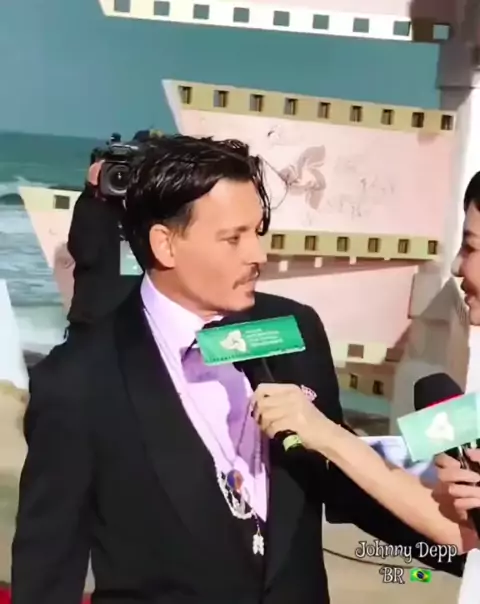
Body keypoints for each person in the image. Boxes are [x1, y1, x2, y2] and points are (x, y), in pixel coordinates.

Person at [11, 135, 464, 604]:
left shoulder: (295, 329)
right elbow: (47, 569)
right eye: (233, 238)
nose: (258, 255)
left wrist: (468, 550)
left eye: (258, 232)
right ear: (166, 244)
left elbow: (342, 484)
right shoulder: (78, 381)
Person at [66, 156, 139, 340]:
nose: (120, 177)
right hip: (95, 323)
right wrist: (91, 195)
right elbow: (85, 253)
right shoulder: (94, 210)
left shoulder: (144, 216)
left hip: (130, 324)